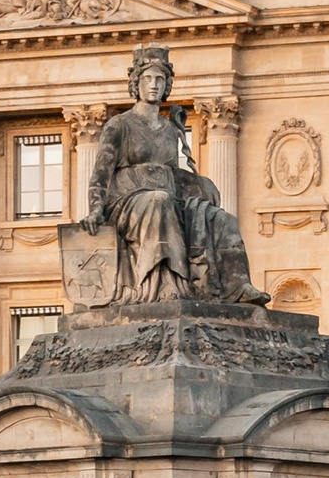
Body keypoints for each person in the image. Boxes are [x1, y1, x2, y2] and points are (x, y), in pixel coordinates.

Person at [81, 47, 258, 304]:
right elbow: (101, 174)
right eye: (148, 79)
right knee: (159, 201)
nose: (154, 85)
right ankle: (164, 287)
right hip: (128, 205)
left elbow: (172, 174)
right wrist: (95, 209)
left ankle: (237, 287)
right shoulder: (119, 125)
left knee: (222, 219)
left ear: (167, 86)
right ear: (136, 84)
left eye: (160, 80)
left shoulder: (168, 128)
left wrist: (200, 184)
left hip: (167, 199)